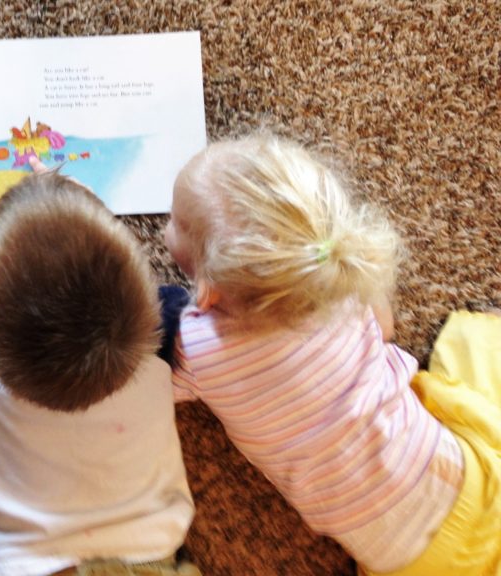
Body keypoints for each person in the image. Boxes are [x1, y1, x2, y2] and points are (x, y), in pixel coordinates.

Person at [163, 133, 500, 575]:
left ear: (206, 292)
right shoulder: (341, 289)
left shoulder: (201, 350)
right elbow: (385, 329)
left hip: (422, 562)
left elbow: (146, 383)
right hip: (475, 481)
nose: (167, 226)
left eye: (174, 222)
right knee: (471, 341)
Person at [0, 159, 197, 576]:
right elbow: (168, 300)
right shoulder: (164, 328)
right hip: (147, 553)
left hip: (13, 565)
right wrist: (83, 210)